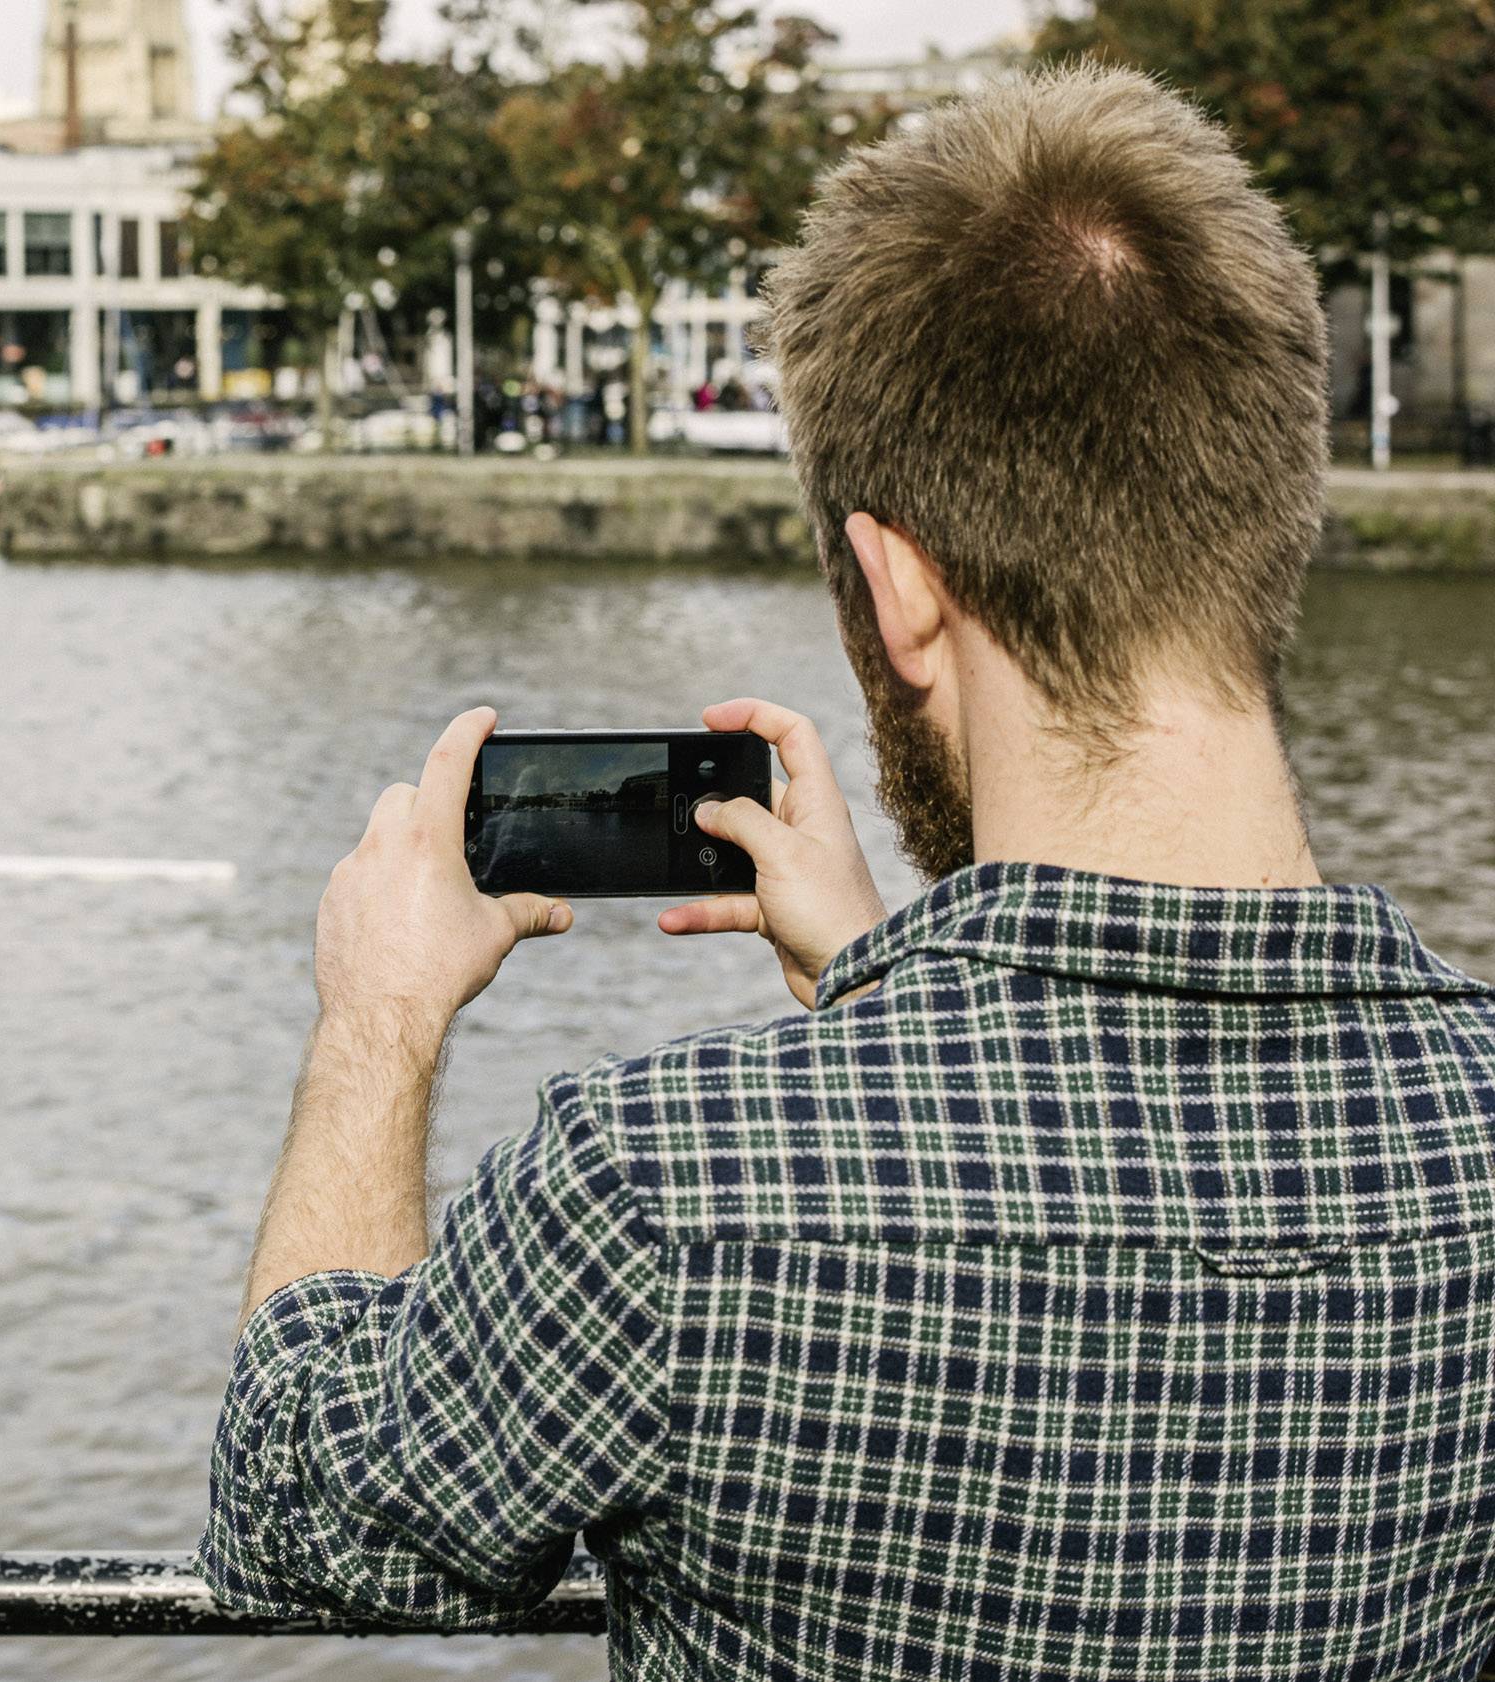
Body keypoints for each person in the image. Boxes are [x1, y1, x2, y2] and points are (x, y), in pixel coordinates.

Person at [200, 65, 1495, 1680]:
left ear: (900, 590)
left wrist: (376, 1024)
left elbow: (298, 1520)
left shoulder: (661, 1191)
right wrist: (873, 980)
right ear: (1273, 511)